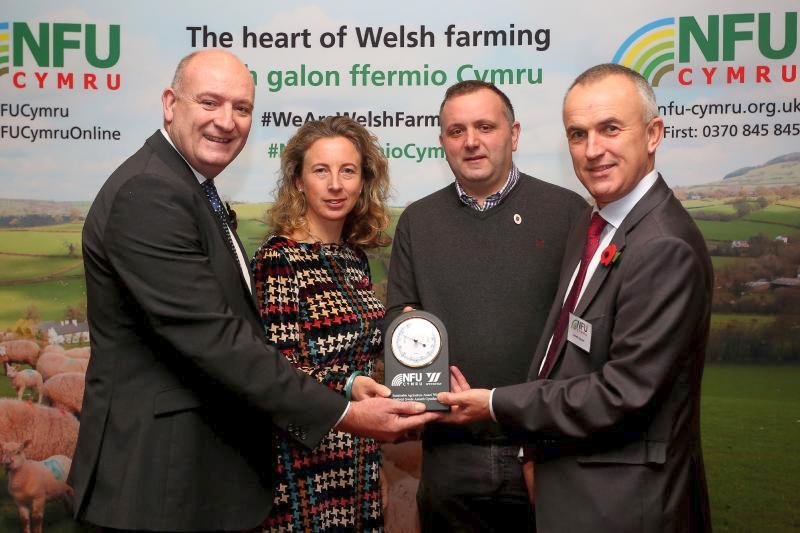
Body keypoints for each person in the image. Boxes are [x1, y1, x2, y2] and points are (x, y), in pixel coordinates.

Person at [69, 49, 436, 532]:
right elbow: (217, 341)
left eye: (241, 108)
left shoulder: (190, 188)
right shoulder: (151, 193)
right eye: (210, 102)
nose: (226, 121)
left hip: (195, 479)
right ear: (169, 103)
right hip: (157, 480)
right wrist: (345, 410)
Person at [437, 64, 713, 532]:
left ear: (653, 134)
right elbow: (564, 351)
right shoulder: (599, 227)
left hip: (625, 506)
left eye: (610, 129)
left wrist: (497, 404)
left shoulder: (663, 245)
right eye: (577, 134)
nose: (592, 150)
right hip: (578, 490)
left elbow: (623, 394)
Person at [385, 80, 586, 532]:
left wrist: (540, 437)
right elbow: (398, 319)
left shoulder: (568, 213)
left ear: (513, 134)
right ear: (442, 142)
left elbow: (584, 332)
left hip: (542, 450)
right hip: (450, 453)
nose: (471, 141)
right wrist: (422, 374)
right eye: (456, 131)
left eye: (484, 126)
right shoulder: (417, 221)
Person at [251, 116, 392, 531]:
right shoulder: (278, 259)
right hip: (302, 461)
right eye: (320, 170)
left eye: (347, 170)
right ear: (298, 181)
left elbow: (364, 358)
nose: (336, 184)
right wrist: (346, 385)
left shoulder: (354, 258)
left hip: (359, 457)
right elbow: (278, 369)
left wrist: (373, 463)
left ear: (363, 180)